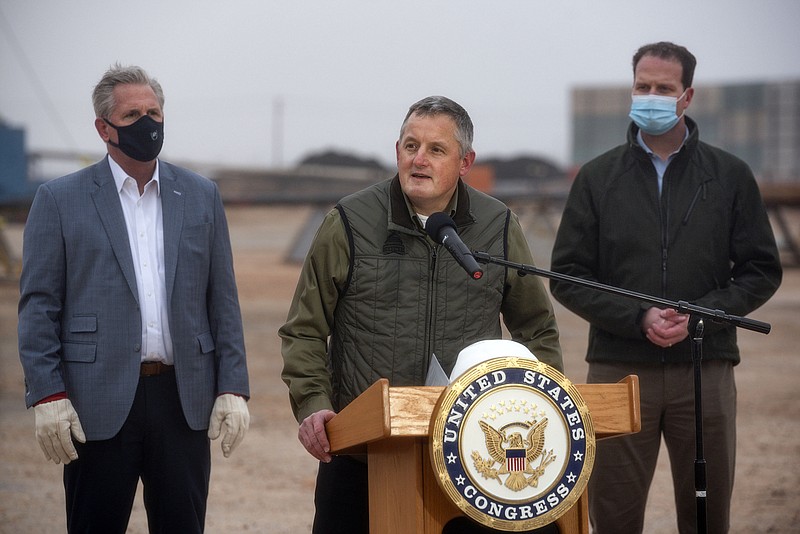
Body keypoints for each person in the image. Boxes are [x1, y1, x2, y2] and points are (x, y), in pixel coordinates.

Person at [280, 95, 562, 533]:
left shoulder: (497, 224)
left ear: (465, 162)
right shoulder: (349, 222)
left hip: (469, 458)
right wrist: (313, 405)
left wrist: (536, 407)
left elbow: (537, 327)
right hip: (363, 451)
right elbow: (304, 329)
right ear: (397, 152)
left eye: (436, 150)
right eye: (411, 146)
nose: (419, 160)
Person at [549, 42, 782, 534]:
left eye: (663, 88)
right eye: (642, 86)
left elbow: (761, 268)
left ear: (687, 96)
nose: (650, 96)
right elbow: (568, 274)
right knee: (612, 515)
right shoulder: (596, 178)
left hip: (705, 368)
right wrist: (637, 316)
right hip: (616, 367)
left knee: (706, 514)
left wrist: (700, 317)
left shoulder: (729, 176)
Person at [17, 64, 250, 534]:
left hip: (183, 400)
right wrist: (48, 393)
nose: (148, 124)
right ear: (104, 128)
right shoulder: (60, 199)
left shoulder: (201, 196)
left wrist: (233, 387)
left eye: (155, 112)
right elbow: (39, 306)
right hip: (95, 401)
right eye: (132, 114)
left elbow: (222, 299)